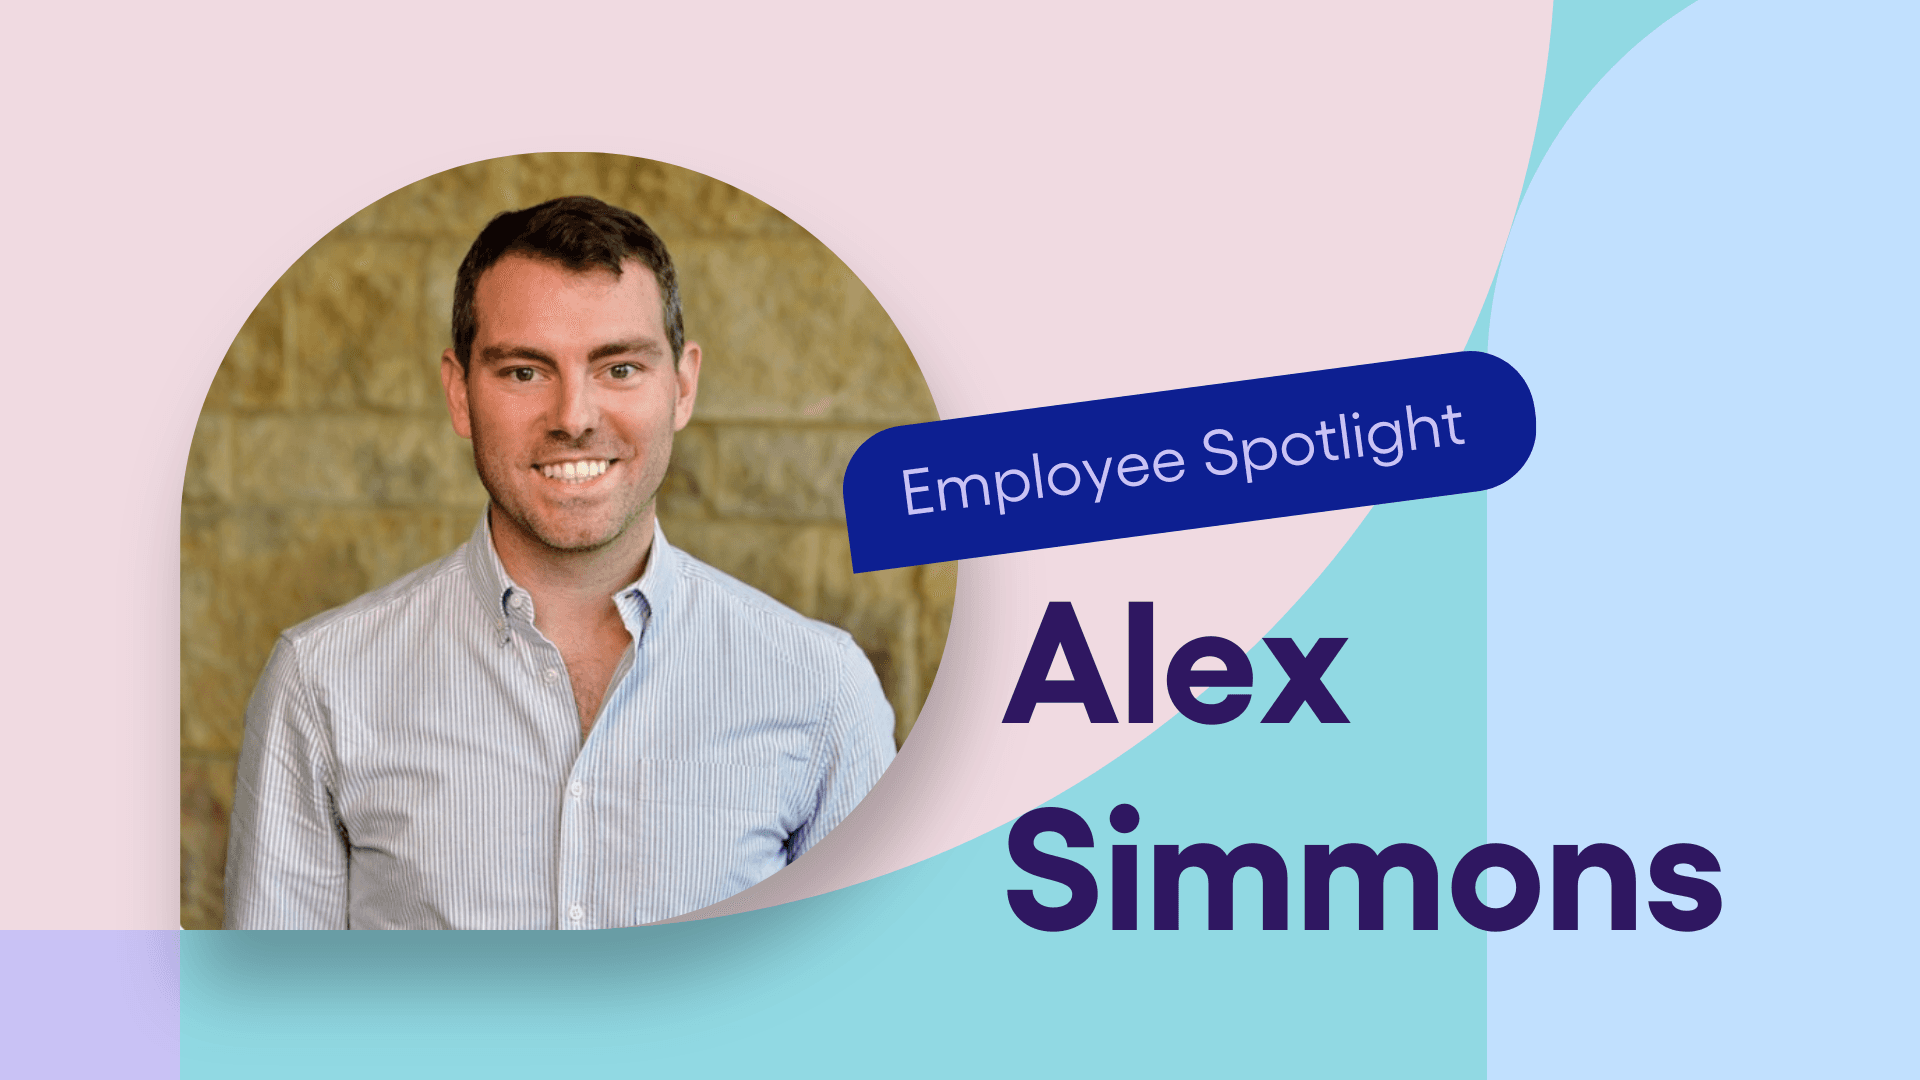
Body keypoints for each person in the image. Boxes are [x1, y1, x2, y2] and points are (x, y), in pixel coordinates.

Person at [224, 196, 896, 929]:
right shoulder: (322, 686)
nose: (574, 416)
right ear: (458, 392)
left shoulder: (821, 690)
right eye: (523, 373)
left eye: (620, 368)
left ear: (683, 385)